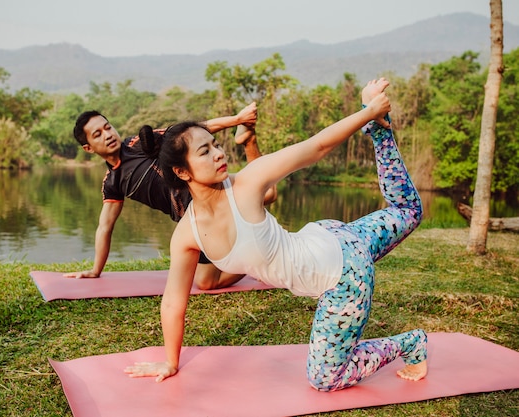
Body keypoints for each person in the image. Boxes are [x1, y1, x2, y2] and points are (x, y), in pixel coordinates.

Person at [123, 78, 428, 391]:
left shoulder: (247, 183)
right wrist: (170, 362)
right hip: (332, 238)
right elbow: (174, 302)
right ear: (182, 172)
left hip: (343, 277)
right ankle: (379, 128)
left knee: (325, 379)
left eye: (216, 145)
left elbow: (317, 146)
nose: (218, 153)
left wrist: (368, 111)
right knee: (408, 212)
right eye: (205, 151)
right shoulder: (187, 234)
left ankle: (409, 343)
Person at [64, 103, 276, 290]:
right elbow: (105, 227)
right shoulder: (112, 183)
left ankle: (249, 142)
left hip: (206, 193)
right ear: (88, 148)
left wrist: (237, 120)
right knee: (206, 282)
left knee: (267, 194)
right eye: (98, 134)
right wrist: (95, 270)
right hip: (192, 222)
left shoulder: (139, 142)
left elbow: (193, 134)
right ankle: (258, 259)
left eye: (108, 127)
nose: (108, 134)